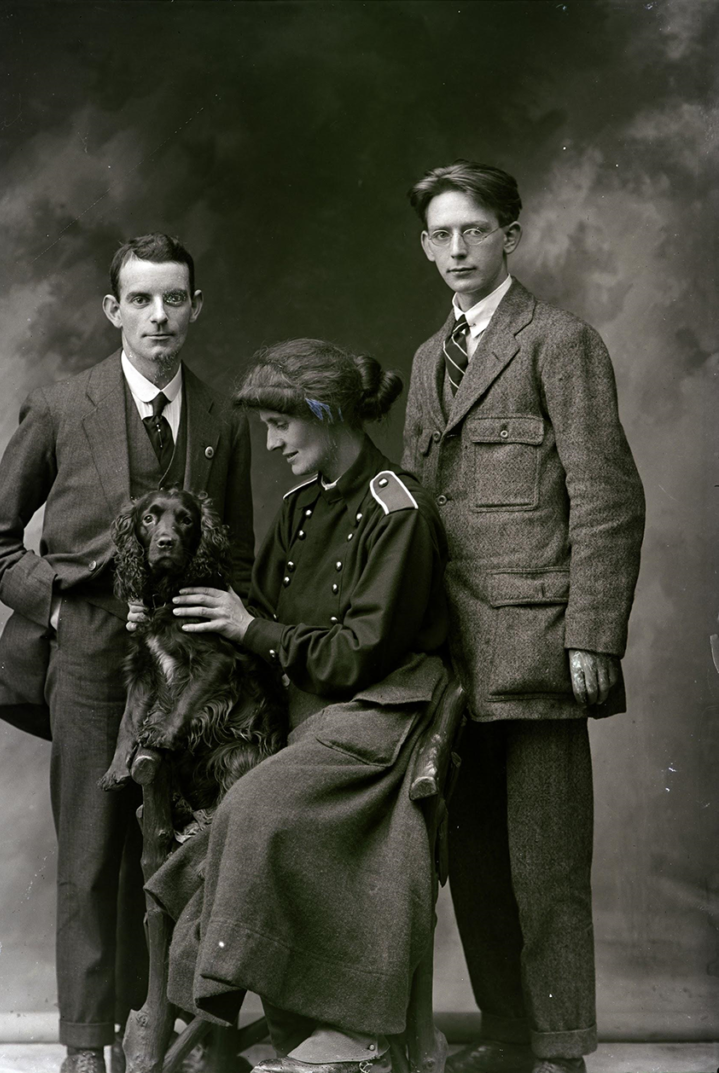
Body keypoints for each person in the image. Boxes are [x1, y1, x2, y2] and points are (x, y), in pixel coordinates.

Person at [0, 233, 255, 1073]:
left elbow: (231, 549)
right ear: (113, 310)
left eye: (174, 299)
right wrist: (57, 608)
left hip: (196, 663)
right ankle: (86, 1045)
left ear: (195, 307)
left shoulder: (225, 418)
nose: (158, 316)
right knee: (93, 849)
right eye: (141, 300)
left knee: (193, 844)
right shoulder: (62, 406)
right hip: (91, 657)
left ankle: (182, 1032)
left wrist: (227, 614)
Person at [136, 338, 450, 1073]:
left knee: (252, 808)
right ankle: (230, 1014)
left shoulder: (396, 511)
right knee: (236, 810)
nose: (272, 442)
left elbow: (354, 654)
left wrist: (253, 627)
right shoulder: (299, 507)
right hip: (310, 715)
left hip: (382, 711)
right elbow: (265, 621)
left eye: (283, 424)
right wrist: (169, 624)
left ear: (327, 413)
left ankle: (325, 1023)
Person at [402, 161, 646, 1073]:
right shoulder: (430, 361)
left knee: (545, 869)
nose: (457, 249)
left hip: (540, 645)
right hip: (451, 661)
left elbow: (608, 495)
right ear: (425, 246)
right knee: (474, 864)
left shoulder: (560, 342)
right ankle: (508, 1033)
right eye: (440, 234)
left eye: (473, 230)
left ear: (512, 233)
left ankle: (560, 1049)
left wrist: (594, 630)